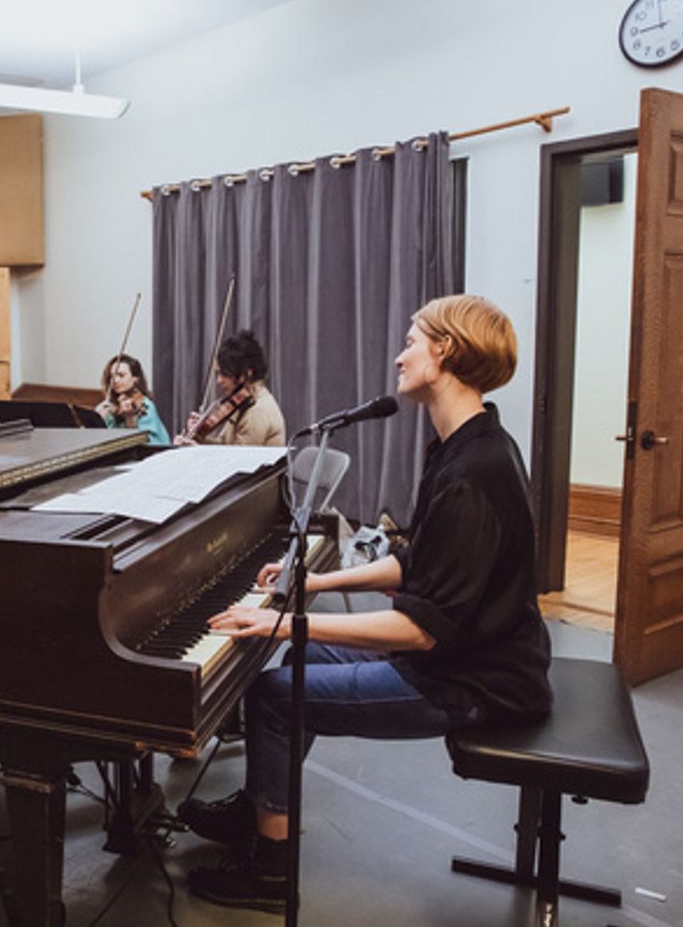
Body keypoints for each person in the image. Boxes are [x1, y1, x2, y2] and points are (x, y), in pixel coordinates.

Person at [180, 295, 552, 912]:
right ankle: (256, 810)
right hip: (464, 657)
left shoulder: (473, 472)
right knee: (283, 667)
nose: (400, 353)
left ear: (447, 352)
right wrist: (312, 586)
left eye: (413, 339)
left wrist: (282, 622)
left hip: (473, 681)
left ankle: (272, 871)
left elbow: (424, 631)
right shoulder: (465, 442)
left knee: (275, 696)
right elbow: (418, 560)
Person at [176, 330, 285, 446]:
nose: (219, 380)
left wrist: (197, 450)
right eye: (217, 374)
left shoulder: (258, 410)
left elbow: (238, 461)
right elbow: (225, 445)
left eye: (225, 374)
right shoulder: (241, 402)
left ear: (247, 373)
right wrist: (199, 438)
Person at [95, 354, 170, 445]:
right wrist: (99, 418)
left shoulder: (145, 405)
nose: (115, 380)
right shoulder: (110, 406)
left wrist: (130, 419)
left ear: (135, 379)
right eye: (112, 376)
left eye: (121, 375)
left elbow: (148, 442)